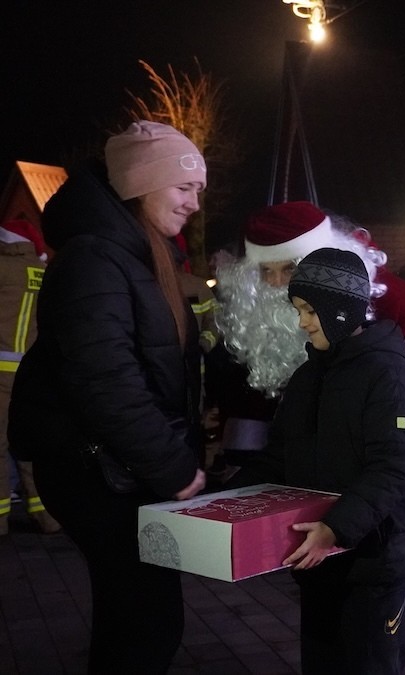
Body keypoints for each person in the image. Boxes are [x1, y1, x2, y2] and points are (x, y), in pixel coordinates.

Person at [212, 201, 405, 673]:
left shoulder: (388, 306)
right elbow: (263, 413)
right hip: (322, 471)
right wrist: (235, 491)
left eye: (289, 268)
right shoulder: (296, 346)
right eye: (266, 272)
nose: (275, 284)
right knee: (336, 627)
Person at [7, 120, 209, 673]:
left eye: (198, 190)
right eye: (184, 187)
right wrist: (172, 466)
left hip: (122, 466)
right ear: (140, 185)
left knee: (140, 616)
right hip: (100, 473)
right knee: (145, 622)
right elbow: (106, 379)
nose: (194, 203)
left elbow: (156, 357)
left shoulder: (138, 251)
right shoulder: (95, 258)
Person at [260, 247, 405, 674]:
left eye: (310, 310)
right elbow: (280, 456)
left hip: (374, 567)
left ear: (340, 309)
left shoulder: (388, 373)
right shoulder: (308, 376)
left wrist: (337, 528)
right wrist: (224, 503)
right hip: (322, 566)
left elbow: (395, 466)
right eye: (298, 310)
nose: (302, 322)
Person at [0, 219, 60, 536]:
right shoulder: (43, 271)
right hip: (30, 371)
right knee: (29, 447)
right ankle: (46, 516)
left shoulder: (3, 269)